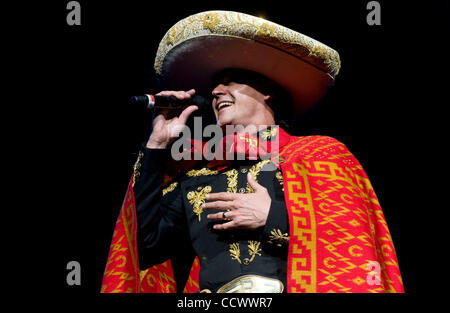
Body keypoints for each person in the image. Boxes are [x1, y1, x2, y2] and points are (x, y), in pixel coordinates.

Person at [101, 10, 404, 293]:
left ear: (268, 89)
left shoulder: (320, 154)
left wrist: (272, 217)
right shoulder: (197, 174)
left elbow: (353, 241)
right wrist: (156, 147)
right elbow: (145, 246)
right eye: (215, 87)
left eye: (229, 82)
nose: (217, 92)